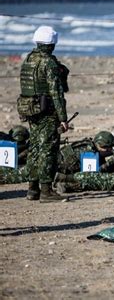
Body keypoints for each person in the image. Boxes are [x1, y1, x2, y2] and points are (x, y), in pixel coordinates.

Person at [17, 26, 69, 203]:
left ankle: (32, 189)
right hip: (47, 111)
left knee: (34, 148)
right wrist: (63, 118)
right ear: (52, 44)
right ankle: (46, 191)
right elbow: (56, 92)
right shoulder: (49, 62)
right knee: (48, 149)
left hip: (31, 109)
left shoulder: (29, 59)